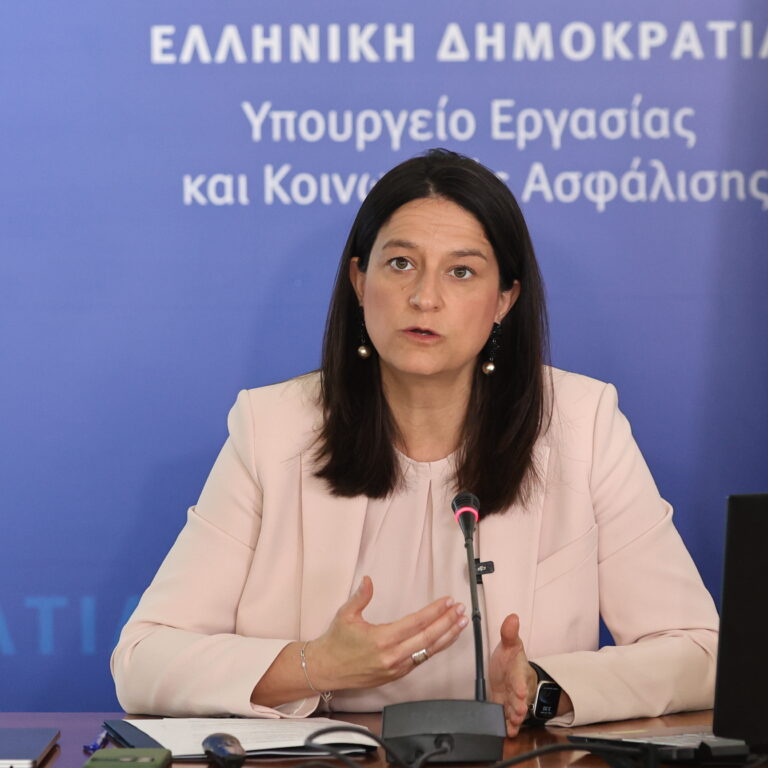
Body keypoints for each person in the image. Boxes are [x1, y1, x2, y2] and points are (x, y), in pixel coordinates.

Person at [111, 149, 718, 735]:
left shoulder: (582, 424)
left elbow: (701, 651)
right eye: (401, 263)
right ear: (359, 280)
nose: (425, 297)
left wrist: (544, 688)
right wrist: (315, 666)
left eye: (461, 271)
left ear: (504, 299)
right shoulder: (272, 428)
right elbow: (143, 658)